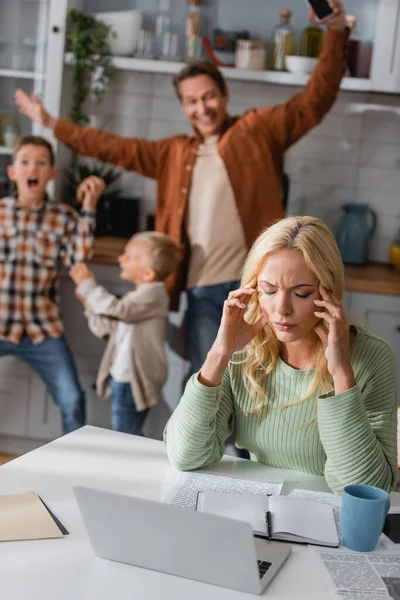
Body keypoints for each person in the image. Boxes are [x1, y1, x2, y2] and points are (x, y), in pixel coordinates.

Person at [14, 1, 349, 376]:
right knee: (210, 381)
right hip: (203, 291)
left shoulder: (258, 131)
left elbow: (315, 100)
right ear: (184, 107)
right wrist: (50, 123)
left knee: (262, 380)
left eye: (208, 96)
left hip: (261, 288)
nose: (201, 107)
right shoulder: (173, 153)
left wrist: (336, 31)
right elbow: (111, 146)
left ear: (224, 96)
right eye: (191, 101)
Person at [164, 216, 398, 495]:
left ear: (329, 292)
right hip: (261, 510)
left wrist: (342, 374)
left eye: (301, 293)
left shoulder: (372, 356)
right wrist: (219, 352)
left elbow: (368, 489)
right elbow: (185, 456)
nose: (281, 309)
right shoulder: (243, 350)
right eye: (269, 291)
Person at [0, 135, 104, 433]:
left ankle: (70, 468)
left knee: (73, 400)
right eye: (25, 162)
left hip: (42, 329)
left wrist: (89, 206)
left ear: (52, 173)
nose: (33, 168)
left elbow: (78, 259)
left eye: (41, 162)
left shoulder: (64, 217)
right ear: (12, 171)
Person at [69, 231, 182, 436]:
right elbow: (108, 329)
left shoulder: (154, 294)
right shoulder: (138, 297)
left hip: (132, 379)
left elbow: (119, 310)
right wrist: (88, 303)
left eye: (128, 257)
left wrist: (88, 286)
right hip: (122, 377)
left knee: (125, 435)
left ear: (148, 274)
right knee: (127, 433)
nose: (120, 259)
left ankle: (128, 467)